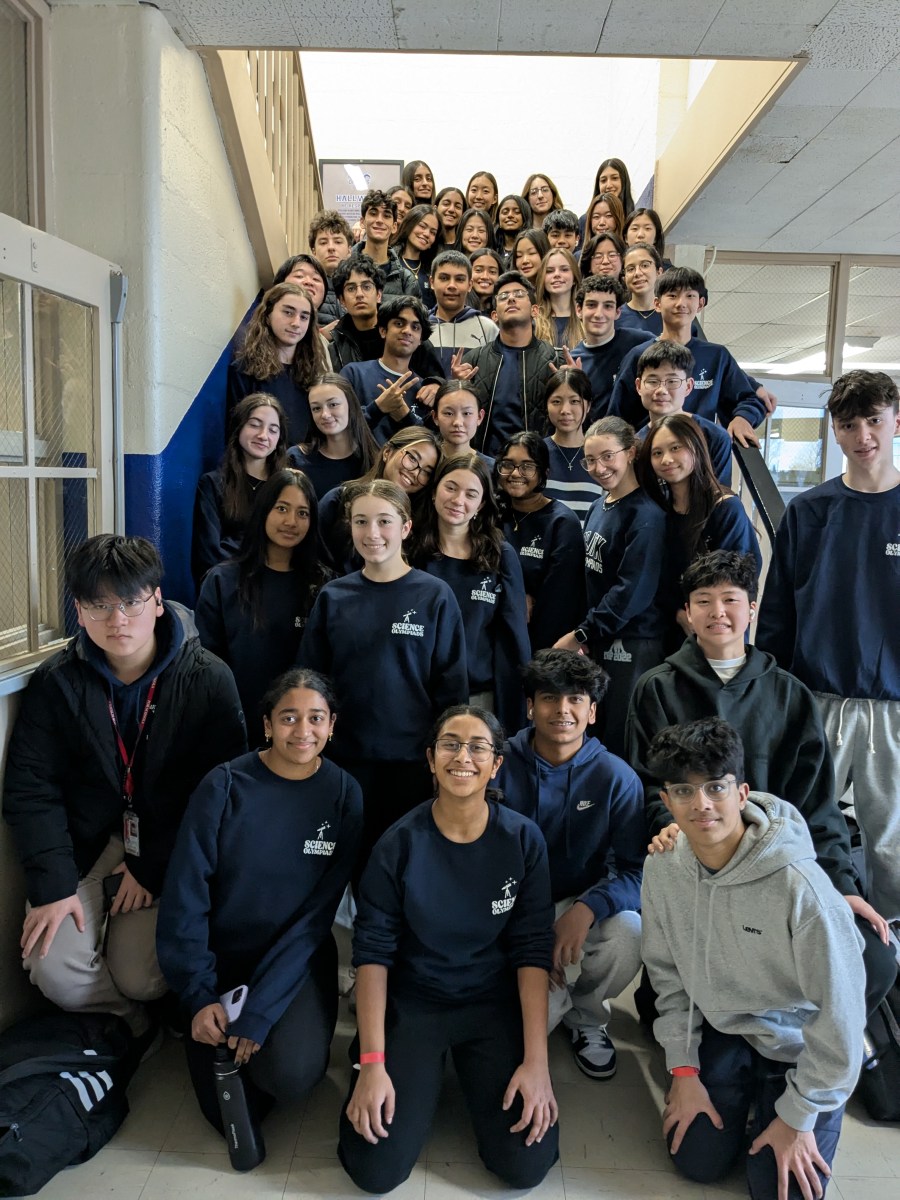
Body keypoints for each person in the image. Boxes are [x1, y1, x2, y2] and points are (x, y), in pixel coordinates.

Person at [625, 551, 897, 1018]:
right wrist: (667, 825)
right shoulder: (657, 688)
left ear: (752, 609)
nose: (718, 613)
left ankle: (799, 1039)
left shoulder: (789, 693)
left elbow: (817, 802)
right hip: (697, 866)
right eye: (703, 601)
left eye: (731, 600)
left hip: (777, 870)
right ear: (686, 613)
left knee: (872, 957)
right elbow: (647, 784)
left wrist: (841, 883)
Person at [4, 535, 246, 1039]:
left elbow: (220, 796)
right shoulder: (57, 683)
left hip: (167, 844)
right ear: (79, 610)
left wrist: (151, 864)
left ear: (157, 601)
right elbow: (31, 787)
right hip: (86, 843)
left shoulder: (208, 679)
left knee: (142, 973)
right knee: (52, 967)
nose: (117, 620)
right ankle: (128, 1027)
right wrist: (53, 888)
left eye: (131, 602)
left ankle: (140, 1002)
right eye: (98, 605)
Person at [337, 705, 559, 1194]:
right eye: (450, 745)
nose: (464, 757)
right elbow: (372, 954)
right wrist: (374, 1065)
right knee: (375, 1169)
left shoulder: (523, 840)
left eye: (478, 746)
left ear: (497, 763)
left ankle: (461, 1073)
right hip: (416, 1003)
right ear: (431, 760)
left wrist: (537, 1065)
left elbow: (532, 951)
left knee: (526, 1163)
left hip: (489, 1002)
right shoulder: (397, 844)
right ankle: (393, 1058)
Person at [641, 718, 865, 1199]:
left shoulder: (801, 888)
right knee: (697, 1161)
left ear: (742, 793)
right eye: (684, 791)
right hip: (728, 1025)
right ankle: (748, 1098)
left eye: (716, 788)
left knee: (781, 1191)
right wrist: (682, 1070)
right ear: (667, 802)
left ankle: (779, 1102)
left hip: (801, 1041)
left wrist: (800, 1116)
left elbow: (842, 1018)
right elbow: (667, 976)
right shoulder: (662, 866)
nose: (701, 805)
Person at [157, 669, 363, 1141]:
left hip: (295, 962)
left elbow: (315, 921)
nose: (303, 731)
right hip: (220, 962)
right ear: (267, 724)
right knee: (228, 1115)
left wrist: (262, 1011)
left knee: (290, 1077)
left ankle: (266, 1043)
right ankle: (209, 1028)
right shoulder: (224, 786)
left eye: (316, 718)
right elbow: (186, 897)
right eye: (289, 718)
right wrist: (199, 993)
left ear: (332, 725)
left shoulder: (344, 794)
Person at [757, 369, 900, 924]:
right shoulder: (810, 512)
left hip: (892, 708)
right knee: (799, 827)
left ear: (894, 422)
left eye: (873, 420)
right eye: (848, 424)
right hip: (819, 699)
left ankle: (889, 955)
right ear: (834, 432)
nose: (862, 434)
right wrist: (777, 696)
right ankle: (802, 933)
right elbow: (776, 616)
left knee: (890, 844)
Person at [299, 480, 467, 859]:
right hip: (345, 759)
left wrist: (444, 760)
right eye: (360, 522)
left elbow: (451, 691)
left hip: (411, 762)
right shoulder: (334, 596)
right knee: (347, 861)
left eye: (384, 521)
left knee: (401, 864)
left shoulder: (435, 596)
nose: (372, 533)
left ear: (405, 528)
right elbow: (311, 682)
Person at [498, 650, 644, 1079]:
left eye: (576, 699)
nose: (562, 710)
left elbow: (636, 872)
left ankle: (587, 1016)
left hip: (576, 903)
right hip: (508, 907)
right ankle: (543, 995)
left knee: (629, 931)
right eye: (549, 698)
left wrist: (587, 909)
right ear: (530, 707)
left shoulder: (617, 778)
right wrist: (531, 932)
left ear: (592, 711)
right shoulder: (498, 764)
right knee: (512, 1039)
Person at [553, 416, 667, 757]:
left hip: (635, 641)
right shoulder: (597, 506)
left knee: (622, 739)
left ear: (630, 453)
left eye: (607, 456)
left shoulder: (647, 514)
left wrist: (581, 634)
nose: (598, 467)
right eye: (590, 459)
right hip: (602, 639)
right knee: (598, 733)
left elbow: (631, 591)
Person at [195, 468, 332, 746]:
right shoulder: (223, 581)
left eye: (303, 513)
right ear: (263, 511)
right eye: (282, 508)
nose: (291, 521)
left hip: (301, 734)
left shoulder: (325, 585)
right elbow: (206, 664)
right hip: (235, 724)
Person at [410, 451, 531, 732]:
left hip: (479, 697)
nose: (458, 500)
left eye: (470, 494)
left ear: (481, 504)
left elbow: (514, 637)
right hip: (417, 695)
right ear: (434, 491)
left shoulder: (500, 554)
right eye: (450, 487)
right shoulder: (410, 548)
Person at [609, 267, 771, 446]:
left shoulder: (716, 356)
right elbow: (617, 416)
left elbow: (749, 397)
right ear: (657, 304)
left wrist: (743, 418)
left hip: (700, 454)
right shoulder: (638, 355)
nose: (681, 303)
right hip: (650, 455)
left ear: (700, 304)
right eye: (672, 295)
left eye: (690, 296)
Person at [637, 413, 761, 644]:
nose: (666, 459)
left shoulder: (725, 508)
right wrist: (678, 613)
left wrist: (698, 615)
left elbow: (738, 580)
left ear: (696, 448)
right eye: (657, 453)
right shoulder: (658, 511)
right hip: (672, 630)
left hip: (720, 632)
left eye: (676, 448)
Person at [495, 432, 585, 651]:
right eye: (508, 464)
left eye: (527, 466)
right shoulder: (492, 513)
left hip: (542, 643)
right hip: (493, 636)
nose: (516, 473)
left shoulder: (562, 522)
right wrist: (516, 596)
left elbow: (560, 600)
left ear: (544, 473)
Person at [455, 270, 556, 457]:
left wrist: (573, 385)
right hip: (484, 461)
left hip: (535, 461)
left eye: (519, 295)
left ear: (535, 310)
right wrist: (456, 386)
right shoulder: (473, 360)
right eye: (503, 297)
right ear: (494, 315)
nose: (511, 299)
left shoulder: (552, 359)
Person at [192, 393, 287, 588]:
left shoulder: (287, 487)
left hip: (277, 585)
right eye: (254, 424)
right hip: (229, 588)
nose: (263, 435)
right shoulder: (213, 484)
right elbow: (208, 555)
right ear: (238, 427)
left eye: (273, 430)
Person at [317, 427, 441, 576]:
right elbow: (315, 559)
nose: (415, 472)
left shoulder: (422, 525)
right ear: (387, 452)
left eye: (426, 472)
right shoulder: (338, 501)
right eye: (412, 458)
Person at [228, 282, 325, 444]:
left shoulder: (314, 374)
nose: (296, 323)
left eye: (304, 317)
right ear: (268, 315)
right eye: (288, 312)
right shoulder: (244, 370)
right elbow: (236, 435)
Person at [340, 296, 441, 443]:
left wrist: (406, 417)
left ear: (420, 340)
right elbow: (338, 425)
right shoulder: (354, 373)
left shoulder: (425, 391)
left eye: (415, 327)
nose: (407, 331)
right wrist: (378, 408)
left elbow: (432, 445)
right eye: (399, 323)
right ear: (383, 331)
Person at [633, 341, 732, 484]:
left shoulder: (714, 436)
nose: (661, 390)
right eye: (653, 381)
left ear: (688, 386)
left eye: (672, 381)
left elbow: (721, 496)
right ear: (638, 386)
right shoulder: (636, 445)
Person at [569, 274, 653, 421]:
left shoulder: (641, 342)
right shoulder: (574, 361)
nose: (599, 314)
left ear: (618, 312)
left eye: (608, 306)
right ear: (578, 310)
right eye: (591, 305)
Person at [288, 372, 379, 498]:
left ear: (350, 405)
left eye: (333, 405)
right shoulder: (297, 459)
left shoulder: (375, 461)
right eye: (316, 408)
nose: (325, 414)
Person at [541, 368, 606, 519]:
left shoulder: (602, 455)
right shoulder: (536, 453)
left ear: (588, 405)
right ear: (546, 405)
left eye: (574, 401)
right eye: (556, 401)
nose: (565, 410)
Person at [427, 249, 498, 372]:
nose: (452, 285)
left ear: (470, 285)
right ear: (432, 282)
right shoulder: (419, 327)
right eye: (444, 278)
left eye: (459, 279)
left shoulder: (487, 328)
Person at [618, 245, 704, 340]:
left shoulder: (678, 315)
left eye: (645, 265)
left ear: (659, 272)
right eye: (630, 269)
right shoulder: (615, 317)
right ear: (624, 277)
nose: (637, 273)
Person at [351, 190, 421, 299]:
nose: (379, 220)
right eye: (373, 214)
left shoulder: (406, 279)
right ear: (362, 222)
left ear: (394, 226)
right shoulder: (343, 270)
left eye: (386, 215)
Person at [391, 204, 442, 308]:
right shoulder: (390, 261)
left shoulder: (433, 269)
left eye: (433, 232)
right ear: (409, 224)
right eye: (422, 226)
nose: (427, 234)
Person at [308, 211, 353, 325]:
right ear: (314, 251)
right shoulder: (306, 287)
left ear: (349, 249)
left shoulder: (361, 286)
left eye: (338, 241)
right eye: (323, 243)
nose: (331, 248)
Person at [534, 248, 582, 350]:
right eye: (549, 271)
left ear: (574, 278)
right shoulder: (533, 322)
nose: (557, 274)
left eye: (564, 269)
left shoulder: (586, 319)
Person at [432, 379, 487, 461]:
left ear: (479, 417)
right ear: (435, 417)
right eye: (449, 413)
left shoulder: (491, 470)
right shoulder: (425, 464)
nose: (457, 422)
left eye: (467, 413)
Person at [495, 193, 531, 265]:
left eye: (517, 212)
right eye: (505, 212)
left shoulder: (533, 247)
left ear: (525, 218)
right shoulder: (492, 248)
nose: (510, 215)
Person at [468, 247, 504, 314]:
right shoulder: (457, 309)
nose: (485, 277)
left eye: (492, 272)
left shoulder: (504, 310)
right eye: (478, 270)